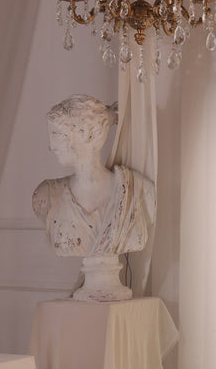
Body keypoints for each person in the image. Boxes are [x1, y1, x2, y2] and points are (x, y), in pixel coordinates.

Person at [32, 95, 155, 259]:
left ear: (87, 135)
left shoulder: (140, 191)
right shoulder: (46, 195)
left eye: (57, 135)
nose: (51, 146)